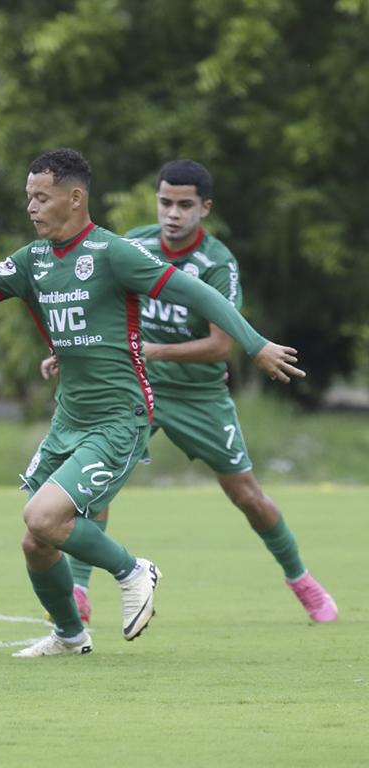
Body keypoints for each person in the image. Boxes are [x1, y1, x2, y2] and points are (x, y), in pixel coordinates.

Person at [0, 148, 305, 657]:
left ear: (75, 197)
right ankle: (69, 637)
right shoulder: (33, 260)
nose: (32, 208)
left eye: (41, 198)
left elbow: (200, 295)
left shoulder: (115, 254)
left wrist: (255, 343)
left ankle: (134, 570)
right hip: (70, 420)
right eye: (28, 198)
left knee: (43, 519)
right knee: (37, 542)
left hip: (119, 419)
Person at [39, 159, 336, 623]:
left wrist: (146, 350)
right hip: (134, 392)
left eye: (184, 205)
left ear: (205, 208)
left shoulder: (216, 264)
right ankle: (78, 589)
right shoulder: (130, 244)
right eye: (165, 202)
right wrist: (73, 353)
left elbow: (221, 346)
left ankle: (301, 579)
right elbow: (94, 315)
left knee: (247, 496)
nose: (172, 213)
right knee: (92, 490)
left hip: (200, 398)